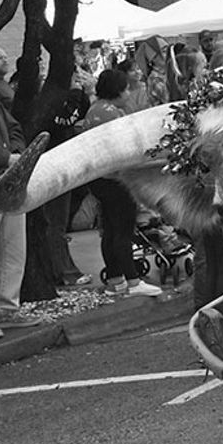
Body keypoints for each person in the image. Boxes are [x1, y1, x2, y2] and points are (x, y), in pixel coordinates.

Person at [0, 46, 40, 341]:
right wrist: (8, 159)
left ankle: (6, 308)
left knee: (11, 252)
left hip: (2, 183)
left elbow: (14, 127)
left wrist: (15, 151)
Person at [84, 69, 162, 299]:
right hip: (116, 179)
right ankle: (133, 280)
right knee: (123, 229)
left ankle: (116, 280)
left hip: (99, 179)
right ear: (117, 90)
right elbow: (127, 147)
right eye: (126, 88)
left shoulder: (94, 110)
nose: (129, 93)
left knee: (109, 229)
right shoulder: (112, 114)